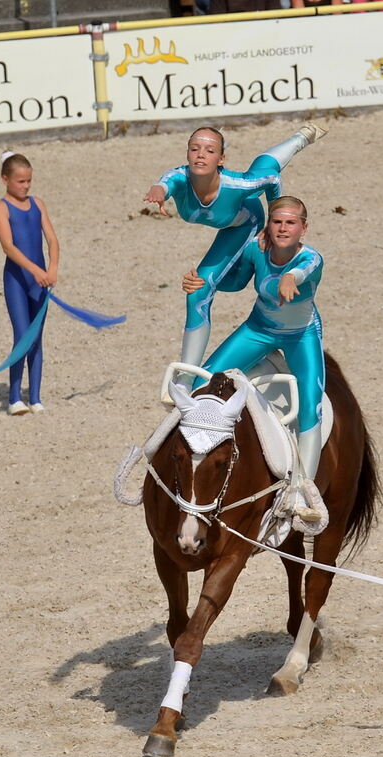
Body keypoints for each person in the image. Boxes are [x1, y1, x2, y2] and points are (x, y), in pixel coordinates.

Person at [143, 123, 327, 390]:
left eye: (209, 150)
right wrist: (158, 192)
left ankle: (300, 138)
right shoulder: (180, 177)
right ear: (186, 153)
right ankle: (187, 374)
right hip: (228, 226)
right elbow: (164, 183)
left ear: (221, 159)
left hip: (246, 222)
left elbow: (272, 180)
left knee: (263, 171)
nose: (200, 155)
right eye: (194, 149)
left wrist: (269, 226)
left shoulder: (236, 184)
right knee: (199, 287)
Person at [182, 195, 325, 485]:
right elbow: (235, 282)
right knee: (201, 383)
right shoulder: (255, 250)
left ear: (303, 228)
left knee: (311, 407)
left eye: (290, 223)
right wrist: (202, 283)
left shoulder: (312, 258)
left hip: (301, 335)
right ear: (268, 226)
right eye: (277, 222)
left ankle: (304, 489)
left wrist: (289, 278)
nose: (283, 229)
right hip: (258, 329)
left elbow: (300, 273)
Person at [0, 152, 59, 416]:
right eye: (20, 181)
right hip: (17, 280)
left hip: (40, 282)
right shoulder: (1, 207)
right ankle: (13, 398)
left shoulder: (37, 204)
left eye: (29, 181)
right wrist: (34, 270)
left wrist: (51, 269)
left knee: (37, 339)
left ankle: (35, 397)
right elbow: (8, 246)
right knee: (22, 335)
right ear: (5, 179)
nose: (26, 186)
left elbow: (52, 240)